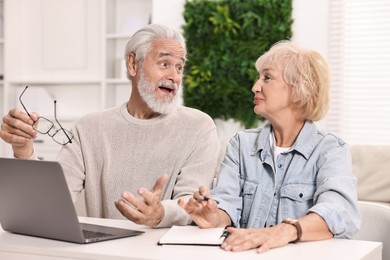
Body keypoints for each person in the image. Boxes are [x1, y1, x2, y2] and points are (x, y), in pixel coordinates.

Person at [0, 24, 220, 228]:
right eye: (164, 64)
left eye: (179, 68)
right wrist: (23, 149)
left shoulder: (199, 127)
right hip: (103, 252)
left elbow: (191, 204)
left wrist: (159, 213)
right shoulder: (90, 127)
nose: (174, 76)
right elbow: (48, 203)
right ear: (133, 64)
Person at [178, 40, 361, 253]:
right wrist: (213, 216)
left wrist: (282, 231)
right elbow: (227, 204)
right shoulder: (240, 145)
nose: (255, 87)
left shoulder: (330, 150)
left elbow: (339, 212)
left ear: (299, 89)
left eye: (267, 77)